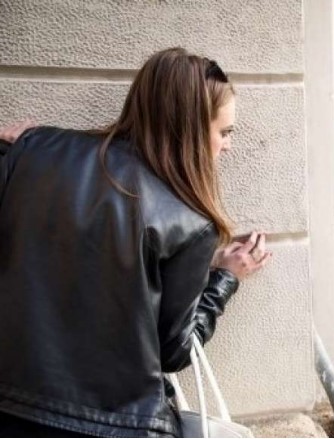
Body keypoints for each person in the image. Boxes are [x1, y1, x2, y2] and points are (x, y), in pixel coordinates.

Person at [0, 48, 272, 437]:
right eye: (224, 132)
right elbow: (173, 352)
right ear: (190, 130)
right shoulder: (192, 222)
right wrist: (225, 278)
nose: (227, 146)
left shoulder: (34, 149)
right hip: (120, 425)